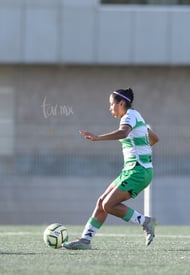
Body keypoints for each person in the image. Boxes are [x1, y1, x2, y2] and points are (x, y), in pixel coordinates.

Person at [63, 88, 159, 250]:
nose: (110, 108)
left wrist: (97, 138)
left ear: (121, 103)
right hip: (133, 170)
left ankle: (146, 222)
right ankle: (85, 240)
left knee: (108, 205)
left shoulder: (129, 117)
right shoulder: (136, 116)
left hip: (138, 171)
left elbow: (123, 133)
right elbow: (155, 138)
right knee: (102, 202)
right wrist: (143, 150)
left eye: (111, 104)